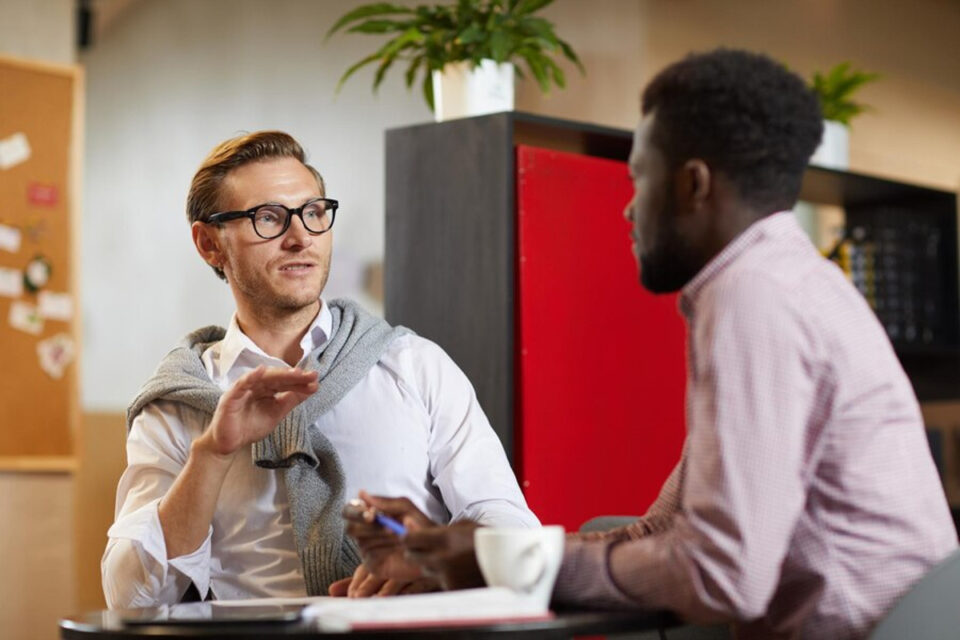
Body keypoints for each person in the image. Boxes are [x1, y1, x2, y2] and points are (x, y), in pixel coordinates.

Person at [345, 49, 957, 639]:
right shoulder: (789, 279)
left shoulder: (754, 296)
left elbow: (722, 576)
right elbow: (666, 531)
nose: (629, 209)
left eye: (640, 177)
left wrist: (495, 562)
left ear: (693, 184)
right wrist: (464, 555)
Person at [101, 131, 538, 609]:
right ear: (209, 244)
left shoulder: (413, 365)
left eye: (313, 213)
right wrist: (211, 454)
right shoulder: (178, 403)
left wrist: (442, 566)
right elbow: (130, 597)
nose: (300, 237)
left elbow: (511, 528)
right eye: (268, 217)